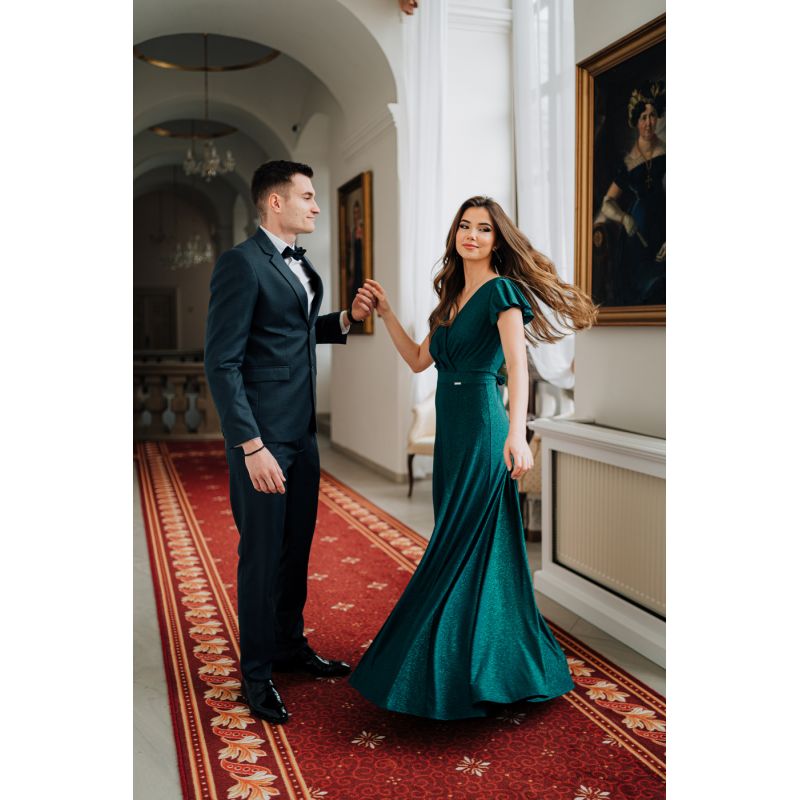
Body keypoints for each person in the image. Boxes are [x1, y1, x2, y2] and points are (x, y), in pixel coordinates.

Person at [349, 196, 597, 720]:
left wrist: (516, 434)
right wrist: (388, 314)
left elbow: (517, 366)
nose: (472, 235)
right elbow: (419, 361)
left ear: (496, 240)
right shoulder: (450, 299)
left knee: (466, 544)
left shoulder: (501, 292)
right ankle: (470, 658)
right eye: (465, 226)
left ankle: (483, 668)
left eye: (484, 229)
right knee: (456, 539)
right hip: (453, 434)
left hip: (485, 427)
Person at [204, 160, 374, 724]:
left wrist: (344, 319)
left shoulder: (299, 264)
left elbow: (292, 333)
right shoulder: (241, 263)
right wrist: (251, 446)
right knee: (261, 556)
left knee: (296, 547)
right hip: (264, 440)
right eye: (307, 196)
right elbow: (222, 363)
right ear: (275, 202)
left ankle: (289, 646)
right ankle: (256, 674)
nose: (316, 206)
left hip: (302, 435)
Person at [599, 80, 666, 305]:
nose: (648, 123)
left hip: (663, 230)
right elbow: (607, 202)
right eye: (643, 117)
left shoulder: (667, 153)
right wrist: (624, 217)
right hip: (636, 237)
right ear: (636, 122)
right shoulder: (628, 162)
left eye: (652, 115)